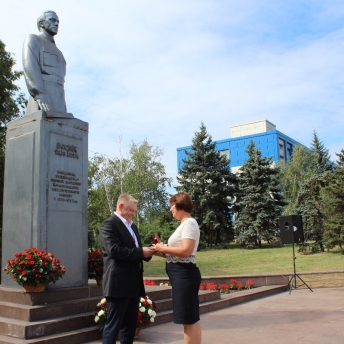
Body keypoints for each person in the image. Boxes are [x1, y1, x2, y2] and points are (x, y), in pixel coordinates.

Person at [100, 193, 155, 344]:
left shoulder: (132, 226)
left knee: (129, 326)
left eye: (134, 211)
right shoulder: (109, 224)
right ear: (120, 206)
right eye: (130, 210)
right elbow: (114, 251)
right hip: (118, 284)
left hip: (133, 284)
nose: (132, 213)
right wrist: (140, 252)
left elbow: (135, 250)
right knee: (113, 326)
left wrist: (149, 252)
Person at [152, 192, 202, 344]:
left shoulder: (189, 224)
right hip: (181, 276)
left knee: (189, 320)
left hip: (185, 276)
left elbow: (186, 250)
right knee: (189, 319)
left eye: (172, 205)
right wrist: (161, 249)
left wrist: (163, 248)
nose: (171, 209)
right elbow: (178, 253)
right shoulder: (185, 224)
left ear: (180, 205)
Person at [22, 10, 70, 117]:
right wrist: (39, 94)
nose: (56, 24)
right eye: (52, 20)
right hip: (43, 96)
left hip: (59, 99)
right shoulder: (34, 39)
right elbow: (30, 65)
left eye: (58, 21)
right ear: (41, 24)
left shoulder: (59, 53)